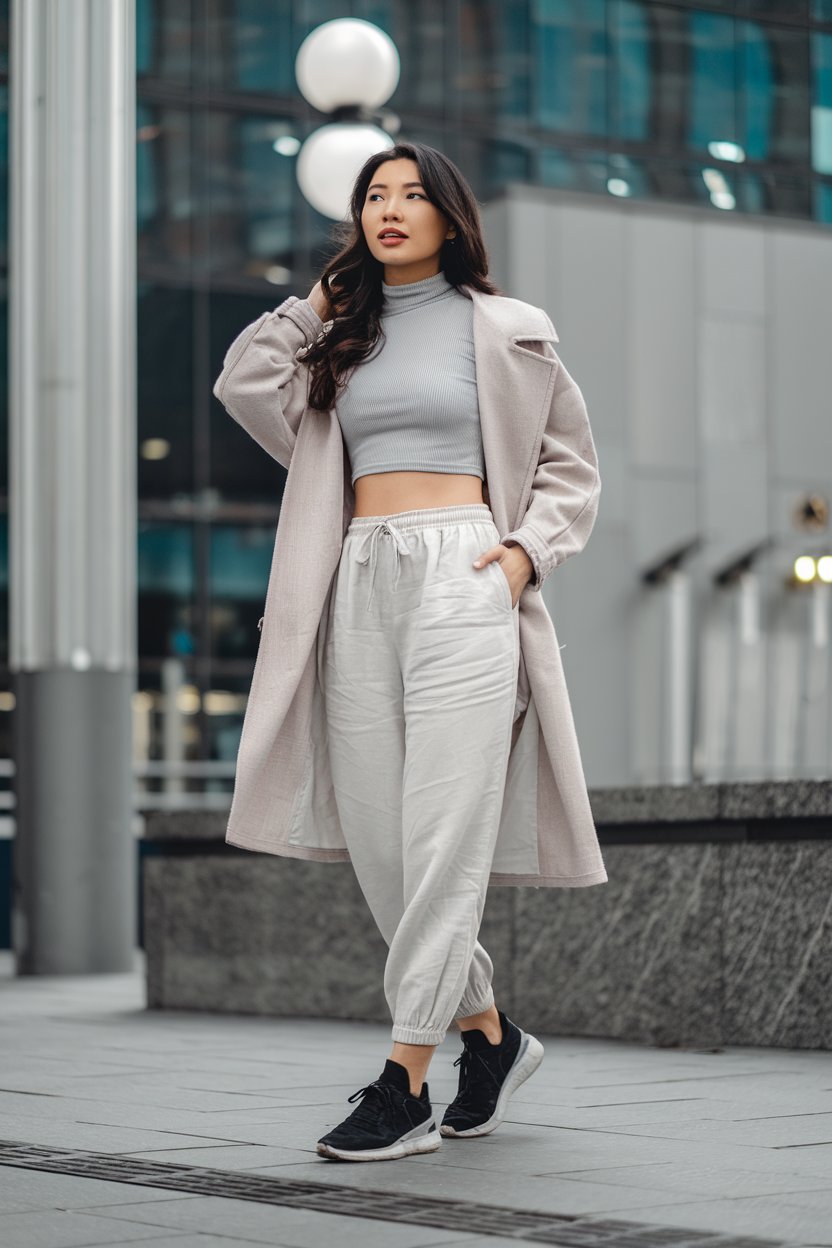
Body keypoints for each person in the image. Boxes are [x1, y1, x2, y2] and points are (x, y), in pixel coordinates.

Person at [213, 141, 605, 1163]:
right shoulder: (339, 334)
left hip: (464, 573)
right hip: (355, 578)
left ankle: (405, 1082)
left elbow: (570, 466)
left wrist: (523, 556)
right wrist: (308, 307)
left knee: (442, 830)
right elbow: (244, 387)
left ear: (448, 214)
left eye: (410, 194)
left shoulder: (512, 329)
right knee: (385, 842)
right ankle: (493, 1037)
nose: (390, 209)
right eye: (373, 197)